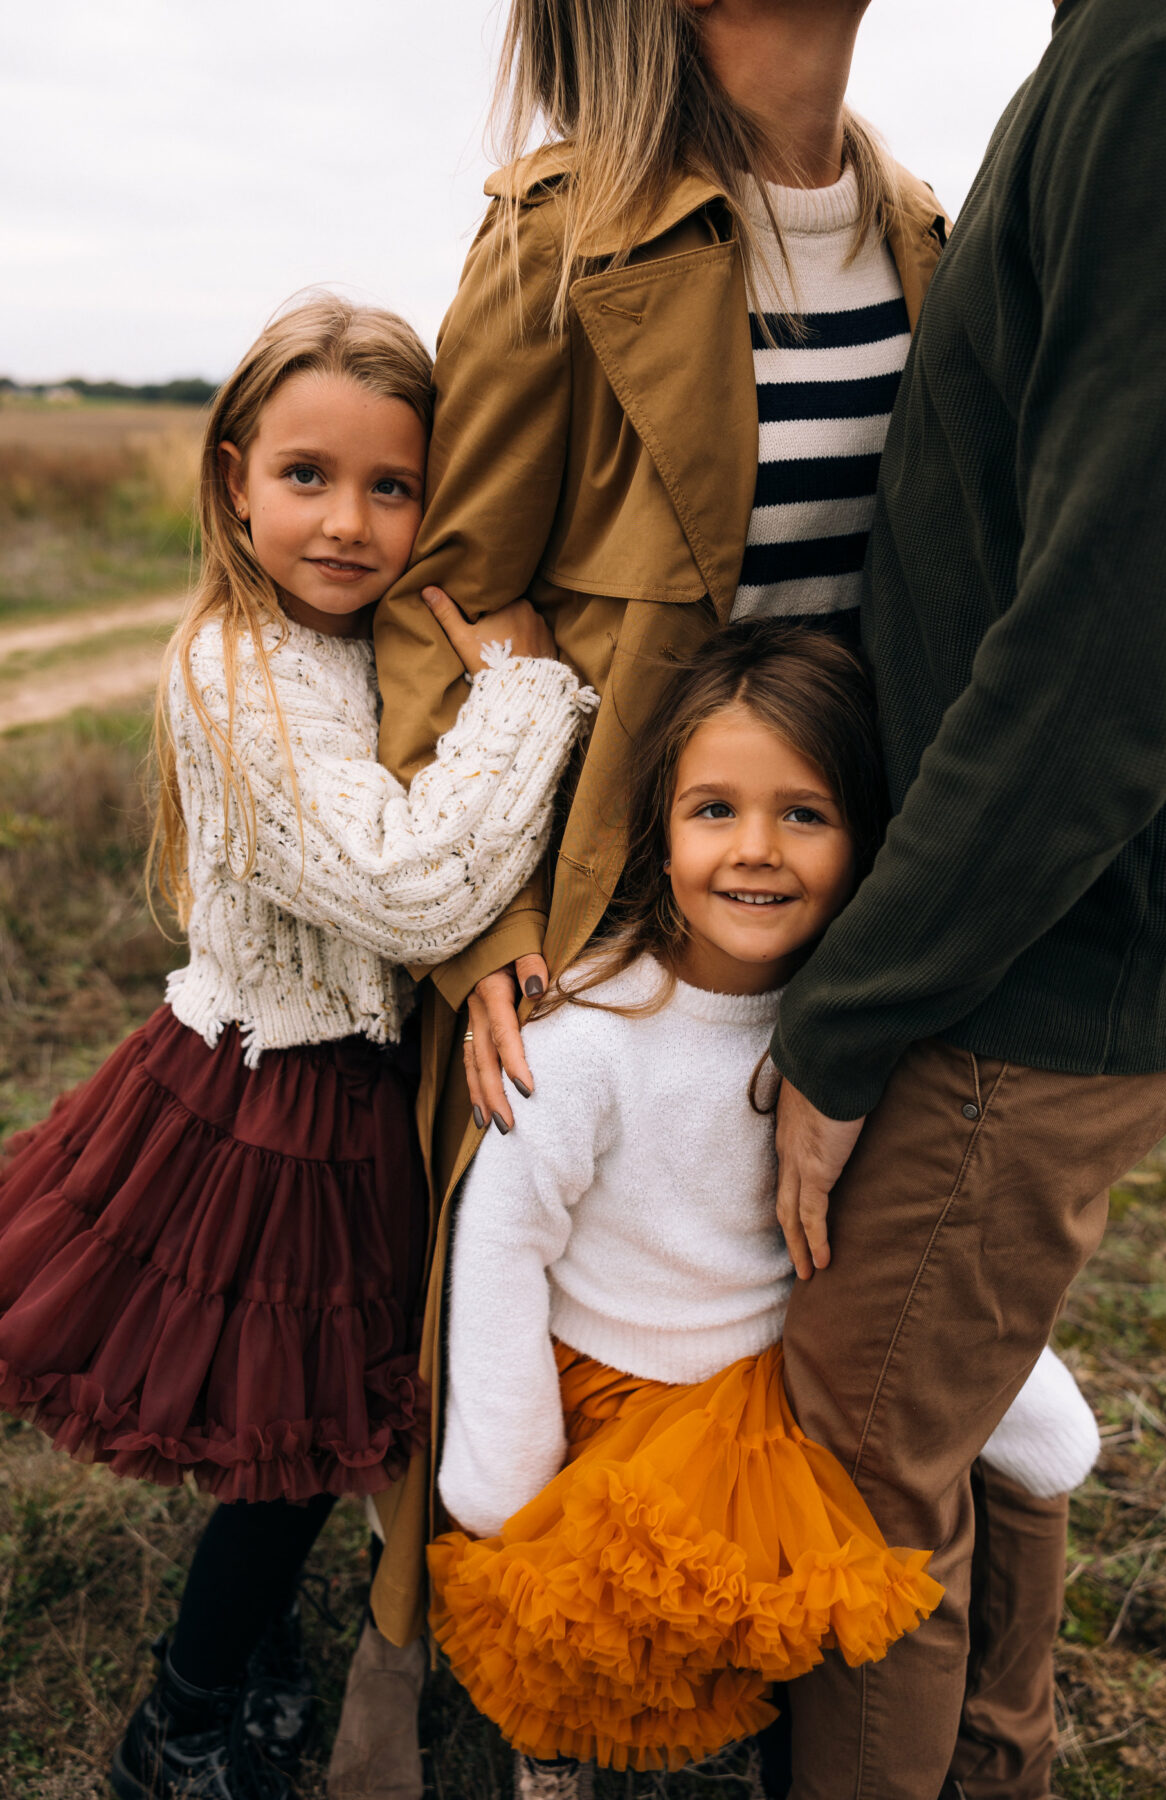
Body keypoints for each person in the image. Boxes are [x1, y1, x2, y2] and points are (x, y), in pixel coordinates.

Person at [366, 0, 953, 1669]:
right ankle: (466, 1666)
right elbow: (444, 594)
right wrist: (480, 935)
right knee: (543, 1306)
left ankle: (781, 1649)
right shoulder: (564, 235)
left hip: (849, 881)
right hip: (609, 893)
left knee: (791, 1286)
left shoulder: (926, 230)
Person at [0, 294, 595, 1800]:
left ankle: (246, 1661)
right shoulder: (235, 668)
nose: (348, 522)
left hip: (333, 1085)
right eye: (308, 477)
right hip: (271, 1099)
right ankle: (176, 1727)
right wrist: (527, 696)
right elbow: (409, 884)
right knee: (295, 1451)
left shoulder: (340, 647)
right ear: (233, 480)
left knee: (311, 1435)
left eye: (393, 487)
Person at [427, 623, 1102, 1800]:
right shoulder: (592, 1038)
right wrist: (506, 1481)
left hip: (770, 1393)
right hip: (609, 1401)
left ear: (868, 838)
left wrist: (1018, 1377)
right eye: (713, 811)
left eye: (805, 814)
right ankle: (554, 1761)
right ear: (660, 825)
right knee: (582, 1636)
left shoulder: (859, 1040)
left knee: (768, 1628)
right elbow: (503, 1245)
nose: (755, 852)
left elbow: (916, 1233)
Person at [760, 0, 1166, 1794]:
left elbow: (1113, 642)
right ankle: (998, 1761)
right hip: (1046, 942)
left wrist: (851, 1017)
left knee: (859, 1481)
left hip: (1017, 973)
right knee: (931, 1441)